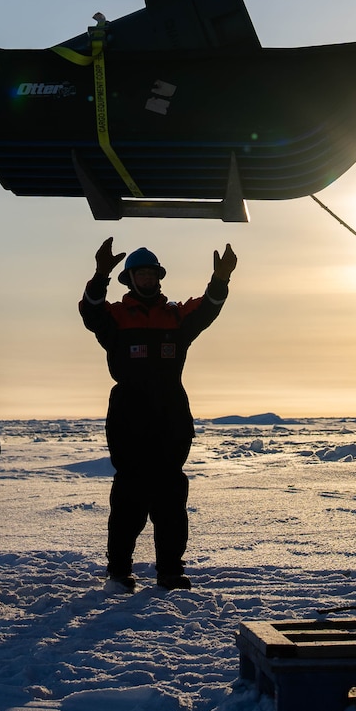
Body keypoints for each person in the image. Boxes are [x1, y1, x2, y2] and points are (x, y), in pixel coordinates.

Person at [79, 239, 237, 592]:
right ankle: (119, 571)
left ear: (158, 278)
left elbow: (208, 309)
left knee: (169, 496)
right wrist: (100, 273)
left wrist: (221, 279)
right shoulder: (116, 317)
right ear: (130, 279)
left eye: (152, 274)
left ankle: (169, 570)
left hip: (171, 416)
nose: (147, 280)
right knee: (130, 497)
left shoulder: (175, 316)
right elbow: (90, 310)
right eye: (141, 274)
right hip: (128, 417)